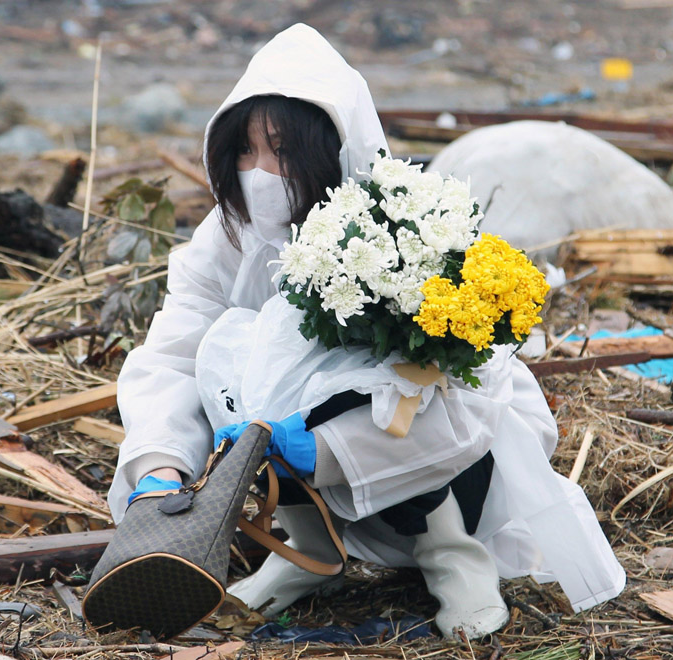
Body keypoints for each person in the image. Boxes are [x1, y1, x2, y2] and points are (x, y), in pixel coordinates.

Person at [106, 23, 625, 640]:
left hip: (443, 457)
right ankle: (309, 553)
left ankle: (454, 559)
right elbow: (174, 351)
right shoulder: (227, 239)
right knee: (235, 350)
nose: (261, 172)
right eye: (245, 152)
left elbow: (468, 387)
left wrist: (329, 446)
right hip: (287, 440)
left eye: (279, 151)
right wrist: (161, 465)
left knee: (398, 380)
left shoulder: (400, 224)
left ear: (327, 145)